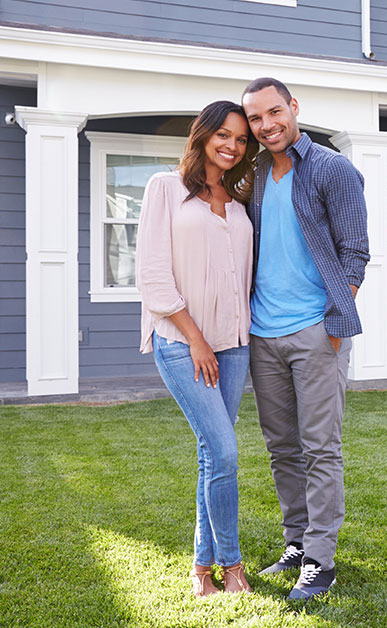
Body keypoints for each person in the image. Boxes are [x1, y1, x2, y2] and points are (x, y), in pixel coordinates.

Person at [240, 77, 370, 601]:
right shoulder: (252, 176)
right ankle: (296, 542)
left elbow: (355, 251)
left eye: (275, 112)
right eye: (255, 118)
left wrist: (334, 321)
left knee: (321, 448)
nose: (267, 125)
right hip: (262, 334)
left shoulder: (333, 169)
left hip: (316, 332)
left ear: (293, 108)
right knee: (281, 448)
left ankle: (321, 558)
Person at [136, 100, 258, 597]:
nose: (231, 145)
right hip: (184, 344)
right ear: (203, 135)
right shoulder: (164, 188)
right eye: (223, 135)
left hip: (234, 346)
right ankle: (232, 567)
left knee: (214, 456)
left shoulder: (239, 200)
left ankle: (200, 569)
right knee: (224, 450)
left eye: (241, 139)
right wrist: (195, 338)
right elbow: (152, 276)